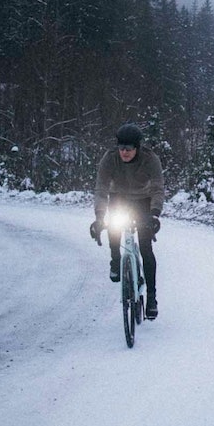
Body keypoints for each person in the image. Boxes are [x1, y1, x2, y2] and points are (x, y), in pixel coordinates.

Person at [90, 123, 164, 320]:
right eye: (121, 148)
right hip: (119, 197)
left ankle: (151, 297)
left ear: (137, 148)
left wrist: (155, 214)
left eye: (129, 149)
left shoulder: (150, 159)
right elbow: (101, 189)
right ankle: (116, 259)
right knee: (113, 226)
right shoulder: (109, 158)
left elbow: (157, 188)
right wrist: (99, 217)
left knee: (146, 247)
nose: (124, 152)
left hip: (143, 200)